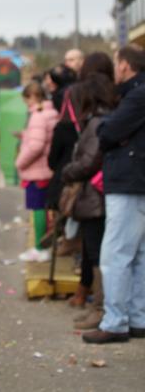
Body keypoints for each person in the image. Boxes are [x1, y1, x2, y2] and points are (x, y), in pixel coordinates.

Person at [83, 45, 145, 344]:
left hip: (129, 180)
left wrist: (111, 129)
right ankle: (138, 318)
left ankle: (116, 321)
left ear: (124, 66)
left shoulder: (138, 94)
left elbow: (107, 133)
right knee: (140, 254)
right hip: (137, 179)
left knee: (116, 254)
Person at [62, 77, 115, 330]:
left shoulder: (96, 122)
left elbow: (89, 160)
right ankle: (99, 306)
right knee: (95, 252)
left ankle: (100, 308)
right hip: (98, 195)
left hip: (95, 196)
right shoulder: (103, 119)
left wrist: (68, 171)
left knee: (97, 254)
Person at [16, 81, 59, 262]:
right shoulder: (52, 113)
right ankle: (43, 247)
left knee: (38, 209)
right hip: (47, 168)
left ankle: (40, 248)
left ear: (32, 97)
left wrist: (20, 162)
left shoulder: (37, 116)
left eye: (26, 100)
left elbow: (36, 145)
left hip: (37, 170)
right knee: (44, 209)